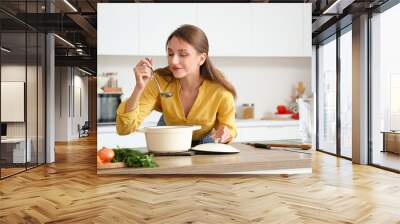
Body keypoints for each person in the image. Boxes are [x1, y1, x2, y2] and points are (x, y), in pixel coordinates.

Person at [116, 24, 237, 145]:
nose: (173, 61)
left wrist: (225, 133)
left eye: (183, 54)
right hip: (167, 146)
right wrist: (139, 88)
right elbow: (124, 129)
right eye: (170, 54)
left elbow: (229, 129)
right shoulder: (159, 82)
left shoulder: (221, 93)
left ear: (201, 58)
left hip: (206, 149)